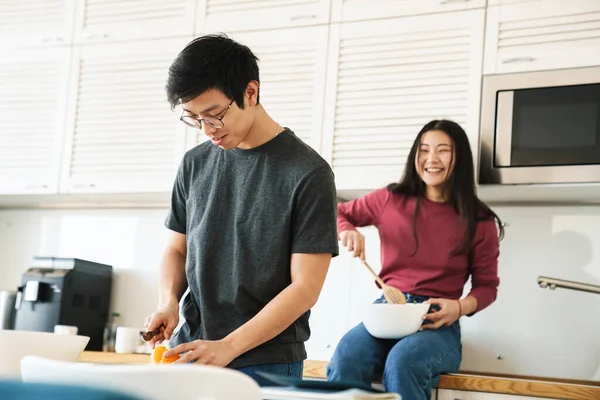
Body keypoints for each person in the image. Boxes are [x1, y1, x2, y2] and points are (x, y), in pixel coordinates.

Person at [144, 34, 339, 386]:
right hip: (190, 353)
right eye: (193, 118)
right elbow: (177, 249)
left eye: (214, 115)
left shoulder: (308, 173)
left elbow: (305, 287)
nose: (206, 130)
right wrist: (167, 302)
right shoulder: (194, 164)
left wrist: (229, 346)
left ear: (250, 92)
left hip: (266, 365)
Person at [326, 119, 504, 399]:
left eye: (443, 150)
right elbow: (336, 211)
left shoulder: (479, 220)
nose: (431, 159)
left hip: (437, 320)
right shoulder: (390, 199)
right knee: (347, 356)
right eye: (424, 150)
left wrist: (458, 308)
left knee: (403, 362)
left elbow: (487, 287)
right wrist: (347, 230)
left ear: (460, 158)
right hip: (388, 310)